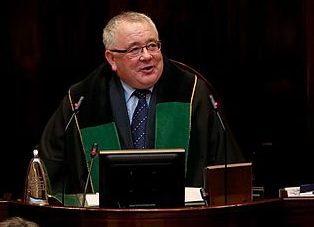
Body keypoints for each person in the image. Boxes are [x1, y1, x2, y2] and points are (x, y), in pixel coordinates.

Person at [38, 11, 244, 195]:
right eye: (134, 49)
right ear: (111, 58)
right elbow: (50, 173)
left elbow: (227, 167)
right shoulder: (81, 101)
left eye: (152, 45)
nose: (147, 56)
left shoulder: (192, 93)